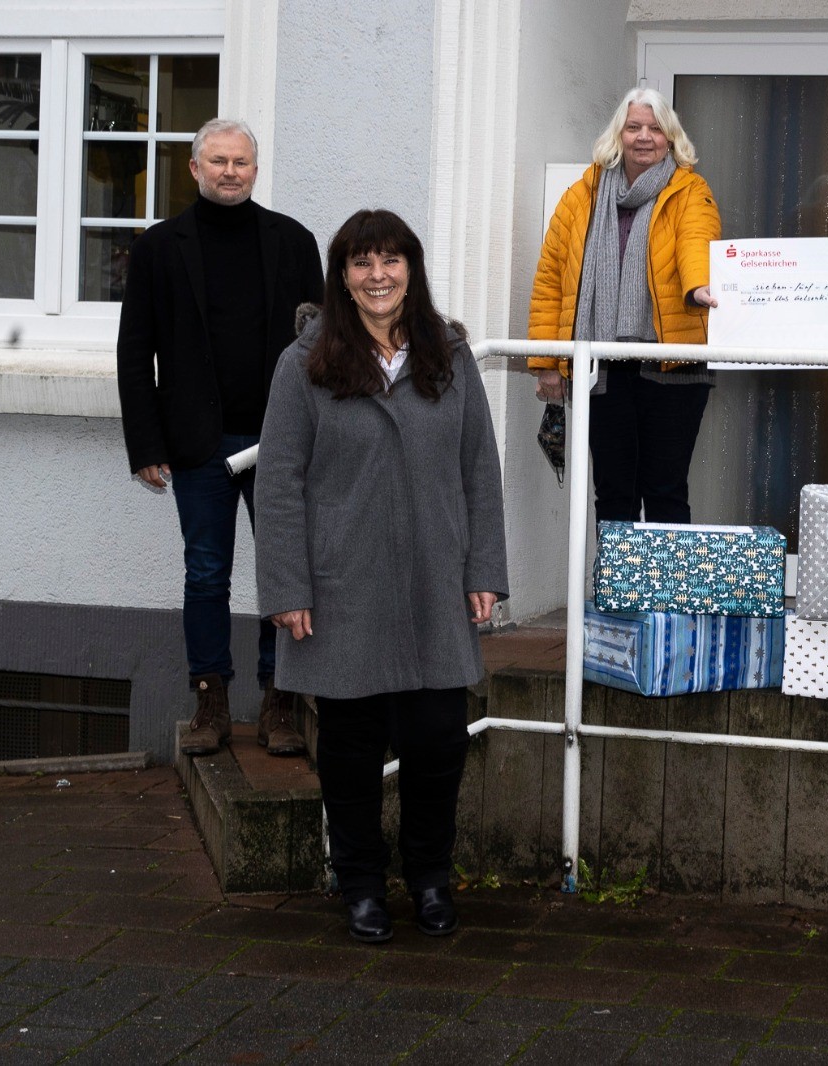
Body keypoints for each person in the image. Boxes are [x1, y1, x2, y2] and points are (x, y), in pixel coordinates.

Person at [254, 209, 508, 944]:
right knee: (351, 749)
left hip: (435, 578)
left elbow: (479, 472)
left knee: (438, 741)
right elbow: (278, 484)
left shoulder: (449, 357)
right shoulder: (303, 364)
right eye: (362, 262)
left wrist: (484, 567)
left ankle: (429, 875)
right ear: (342, 275)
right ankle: (361, 884)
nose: (377, 277)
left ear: (411, 269)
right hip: (342, 586)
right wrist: (287, 588)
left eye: (390, 261)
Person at [116, 117, 323, 759]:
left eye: (241, 162)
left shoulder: (294, 242)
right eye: (218, 161)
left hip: (280, 441)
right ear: (195, 169)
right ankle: (210, 701)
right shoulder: (158, 248)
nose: (230, 171)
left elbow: (320, 347)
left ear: (256, 170)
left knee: (284, 570)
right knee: (205, 572)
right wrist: (146, 445)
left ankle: (279, 700)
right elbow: (135, 351)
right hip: (197, 444)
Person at [528, 86, 722, 523]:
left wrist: (698, 287)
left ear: (671, 138)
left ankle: (663, 593)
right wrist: (546, 361)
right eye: (633, 127)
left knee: (665, 491)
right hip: (604, 368)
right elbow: (551, 280)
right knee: (613, 492)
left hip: (673, 364)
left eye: (655, 128)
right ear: (618, 135)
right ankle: (619, 592)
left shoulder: (690, 191)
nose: (643, 137)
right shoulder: (582, 196)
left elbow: (696, 241)